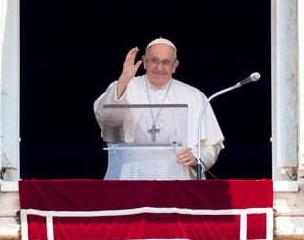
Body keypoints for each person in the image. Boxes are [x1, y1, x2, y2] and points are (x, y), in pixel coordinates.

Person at [94, 37, 224, 180]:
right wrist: (124, 78)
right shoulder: (125, 87)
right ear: (144, 61)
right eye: (154, 60)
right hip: (133, 176)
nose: (159, 67)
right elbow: (107, 117)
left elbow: (212, 145)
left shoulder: (194, 96)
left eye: (166, 62)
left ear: (175, 65)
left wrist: (196, 156)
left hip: (179, 177)